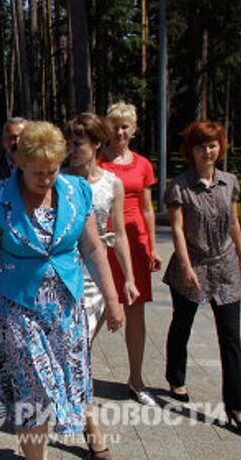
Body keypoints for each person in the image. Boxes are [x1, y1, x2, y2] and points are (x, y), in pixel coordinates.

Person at [0, 121, 124, 460]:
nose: (46, 179)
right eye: (37, 172)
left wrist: (112, 299)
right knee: (32, 393)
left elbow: (93, 249)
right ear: (20, 164)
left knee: (70, 384)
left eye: (52, 170)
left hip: (67, 310)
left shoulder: (76, 191)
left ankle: (86, 430)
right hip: (20, 310)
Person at [64, 113, 140, 458]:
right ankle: (90, 425)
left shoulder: (112, 184)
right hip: (64, 276)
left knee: (79, 351)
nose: (71, 149)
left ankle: (85, 418)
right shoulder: (58, 180)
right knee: (76, 351)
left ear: (96, 144)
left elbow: (120, 235)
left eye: (78, 143)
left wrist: (128, 280)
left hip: (96, 279)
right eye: (69, 142)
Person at [163, 121, 241, 429]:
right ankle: (176, 378)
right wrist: (184, 265)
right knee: (183, 324)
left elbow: (233, 223)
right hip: (192, 263)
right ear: (190, 151)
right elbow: (178, 230)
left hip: (226, 266)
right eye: (200, 146)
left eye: (212, 145)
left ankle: (235, 404)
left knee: (232, 337)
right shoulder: (179, 186)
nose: (207, 152)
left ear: (220, 148)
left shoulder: (230, 181)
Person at [99, 102, 162, 406]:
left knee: (136, 312)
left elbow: (148, 209)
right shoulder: (97, 162)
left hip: (134, 242)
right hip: (103, 239)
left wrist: (151, 246)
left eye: (125, 126)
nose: (120, 131)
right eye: (115, 126)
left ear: (134, 129)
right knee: (95, 307)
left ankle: (136, 380)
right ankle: (76, 374)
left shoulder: (143, 164)